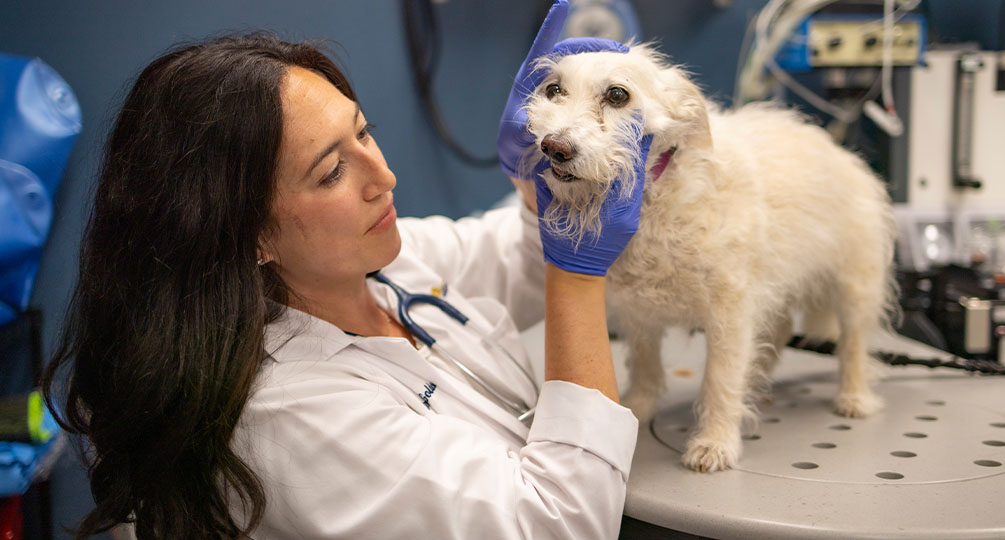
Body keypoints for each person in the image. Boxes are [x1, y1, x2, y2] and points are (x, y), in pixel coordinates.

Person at [41, 1, 654, 538]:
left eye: (365, 133)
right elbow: (560, 525)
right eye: (332, 172)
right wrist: (577, 272)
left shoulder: (371, 268)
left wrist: (540, 176)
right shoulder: (287, 419)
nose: (384, 177)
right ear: (248, 236)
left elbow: (511, 259)